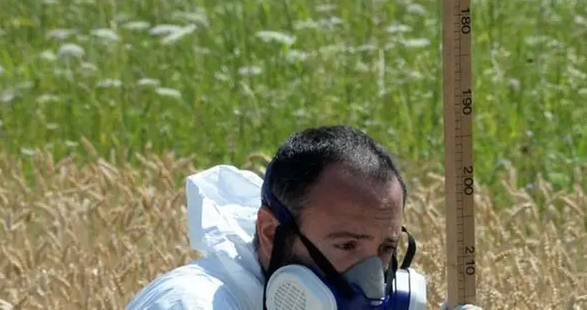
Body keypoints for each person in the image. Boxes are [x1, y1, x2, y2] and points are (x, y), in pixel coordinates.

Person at [125, 125, 481, 310]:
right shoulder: (192, 304)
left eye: (386, 248)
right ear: (269, 231)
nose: (372, 280)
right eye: (346, 244)